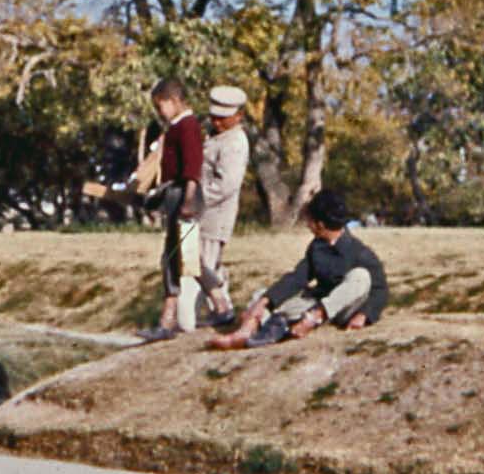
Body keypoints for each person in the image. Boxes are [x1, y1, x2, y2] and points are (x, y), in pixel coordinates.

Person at [209, 191, 388, 349]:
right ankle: (247, 331)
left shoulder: (361, 253)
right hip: (317, 301)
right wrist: (265, 301)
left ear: (321, 224)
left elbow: (380, 290)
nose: (307, 225)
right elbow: (297, 278)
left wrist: (364, 315)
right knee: (262, 295)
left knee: (360, 276)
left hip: (344, 308)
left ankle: (311, 319)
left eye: (309, 221)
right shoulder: (316, 247)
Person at [138, 78, 205, 342]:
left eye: (160, 106)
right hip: (175, 194)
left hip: (185, 196)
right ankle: (168, 317)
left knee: (185, 257)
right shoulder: (176, 127)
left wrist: (188, 201)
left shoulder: (187, 126)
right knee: (173, 257)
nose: (159, 113)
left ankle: (217, 303)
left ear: (174, 101)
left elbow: (192, 167)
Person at [197, 85, 250, 327]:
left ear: (238, 115)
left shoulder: (235, 142)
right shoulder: (215, 136)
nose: (216, 122)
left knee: (204, 263)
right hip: (202, 211)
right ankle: (218, 309)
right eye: (214, 117)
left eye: (223, 118)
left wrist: (196, 200)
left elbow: (226, 185)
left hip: (215, 213)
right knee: (199, 261)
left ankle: (221, 308)